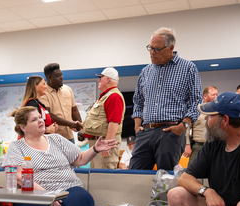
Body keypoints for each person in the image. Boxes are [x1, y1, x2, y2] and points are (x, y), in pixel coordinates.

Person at [129, 27, 202, 171]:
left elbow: (196, 101)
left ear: (171, 48)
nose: (152, 53)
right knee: (134, 173)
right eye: (150, 48)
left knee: (166, 178)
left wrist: (183, 126)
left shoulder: (188, 68)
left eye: (157, 49)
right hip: (146, 131)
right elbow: (138, 101)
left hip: (171, 131)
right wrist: (137, 125)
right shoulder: (146, 71)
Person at [81, 67, 125, 169]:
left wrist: (107, 145)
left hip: (105, 143)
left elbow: (114, 122)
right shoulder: (106, 96)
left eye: (101, 77)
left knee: (104, 178)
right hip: (98, 144)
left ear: (108, 79)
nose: (98, 80)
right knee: (96, 177)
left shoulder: (114, 96)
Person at [39, 63, 83, 142]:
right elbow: (48, 114)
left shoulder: (67, 89)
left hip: (69, 137)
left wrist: (80, 128)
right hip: (53, 139)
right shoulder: (43, 93)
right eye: (57, 76)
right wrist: (69, 124)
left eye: (61, 75)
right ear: (49, 77)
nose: (61, 77)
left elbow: (74, 110)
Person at [183, 86, 218, 165]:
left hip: (214, 147)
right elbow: (187, 129)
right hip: (198, 147)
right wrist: (187, 145)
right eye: (213, 95)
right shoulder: (196, 110)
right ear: (205, 96)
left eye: (217, 95)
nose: (216, 97)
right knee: (192, 172)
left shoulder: (218, 111)